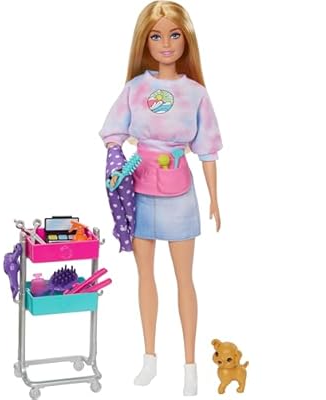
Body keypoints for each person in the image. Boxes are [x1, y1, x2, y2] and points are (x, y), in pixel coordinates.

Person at [99, 1, 222, 395]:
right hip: (139, 191)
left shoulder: (195, 93)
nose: (166, 44)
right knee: (145, 277)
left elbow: (207, 149)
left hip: (180, 193)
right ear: (144, 41)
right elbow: (113, 131)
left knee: (184, 279)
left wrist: (215, 198)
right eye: (156, 36)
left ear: (186, 40)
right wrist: (116, 160)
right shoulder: (135, 88)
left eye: (174, 35)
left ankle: (190, 364)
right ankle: (149, 357)